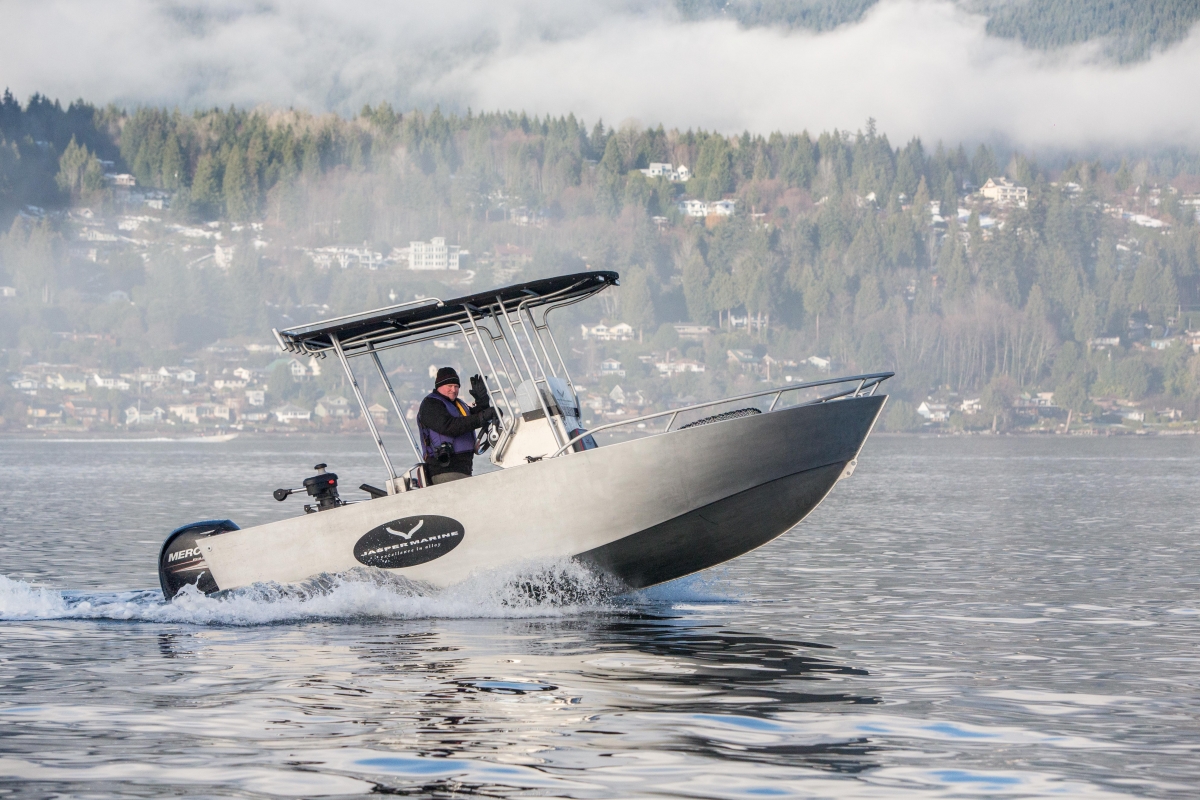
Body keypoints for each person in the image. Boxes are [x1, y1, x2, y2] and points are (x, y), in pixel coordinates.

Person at [417, 367, 497, 484]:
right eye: (449, 386)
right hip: (444, 471)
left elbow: (472, 418)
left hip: (463, 470)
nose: (453, 390)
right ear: (439, 386)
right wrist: (482, 417)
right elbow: (449, 426)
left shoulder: (458, 405)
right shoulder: (431, 405)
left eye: (456, 386)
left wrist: (483, 403)